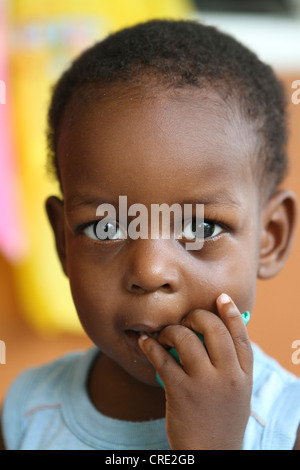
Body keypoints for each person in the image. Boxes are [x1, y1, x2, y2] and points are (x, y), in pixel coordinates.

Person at [1, 19, 299, 450]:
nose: (150, 270)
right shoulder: (27, 411)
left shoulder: (286, 423)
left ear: (270, 237)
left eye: (202, 227)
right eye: (107, 227)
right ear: (63, 241)